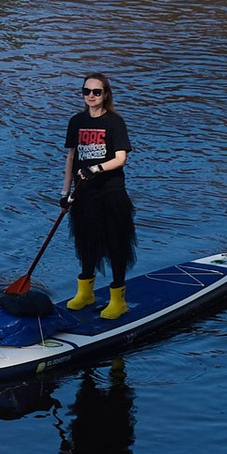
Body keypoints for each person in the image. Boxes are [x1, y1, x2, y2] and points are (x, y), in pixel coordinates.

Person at [61, 71, 135, 315]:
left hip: (111, 193)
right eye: (87, 91)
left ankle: (118, 299)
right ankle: (86, 293)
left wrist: (97, 168)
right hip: (85, 194)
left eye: (96, 92)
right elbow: (71, 157)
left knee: (116, 244)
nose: (91, 96)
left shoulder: (115, 122)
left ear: (105, 95)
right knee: (86, 243)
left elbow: (121, 158)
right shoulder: (76, 121)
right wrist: (65, 191)